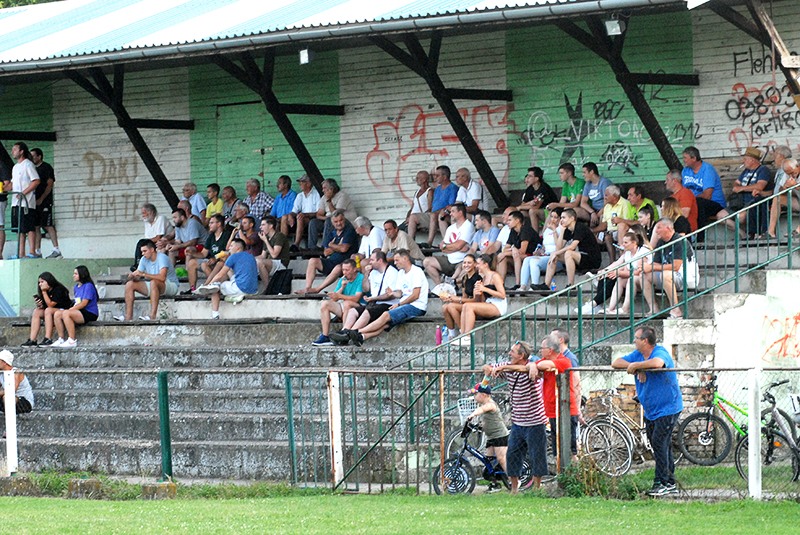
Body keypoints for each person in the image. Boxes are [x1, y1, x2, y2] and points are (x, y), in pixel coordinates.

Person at [612, 326, 683, 496]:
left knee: (659, 442)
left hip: (668, 407)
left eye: (636, 338)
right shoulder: (637, 355)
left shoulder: (660, 351)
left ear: (645, 340)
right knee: (659, 444)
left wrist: (638, 366)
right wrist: (637, 367)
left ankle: (662, 482)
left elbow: (658, 363)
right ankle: (669, 481)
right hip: (652, 409)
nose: (634, 341)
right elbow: (616, 363)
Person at [482, 341, 549, 493]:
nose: (509, 353)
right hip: (518, 421)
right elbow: (487, 366)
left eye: (513, 351)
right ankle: (514, 488)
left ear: (521, 355)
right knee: (512, 454)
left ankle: (537, 488)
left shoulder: (533, 365)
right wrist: (490, 370)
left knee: (537, 455)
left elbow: (530, 368)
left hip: (535, 421)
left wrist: (505, 367)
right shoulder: (509, 365)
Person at [338, 249, 427, 346]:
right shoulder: (401, 273)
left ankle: (355, 332)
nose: (395, 262)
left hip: (417, 306)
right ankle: (361, 337)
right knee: (385, 325)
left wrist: (399, 304)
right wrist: (392, 293)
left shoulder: (416, 271)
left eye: (397, 260)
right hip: (403, 304)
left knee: (385, 315)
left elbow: (415, 295)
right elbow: (400, 293)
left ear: (405, 258)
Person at [329, 251, 399, 344]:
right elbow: (366, 289)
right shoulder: (373, 272)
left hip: (388, 304)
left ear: (380, 260)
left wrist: (374, 298)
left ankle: (348, 334)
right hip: (374, 303)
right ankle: (344, 330)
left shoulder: (392, 272)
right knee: (352, 311)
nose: (370, 262)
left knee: (368, 311)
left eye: (372, 260)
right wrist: (366, 274)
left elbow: (390, 295)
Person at [531, 334, 580, 461]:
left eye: (542, 348)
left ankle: (574, 475)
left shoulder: (564, 361)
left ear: (550, 350)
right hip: (553, 411)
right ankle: (561, 474)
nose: (540, 351)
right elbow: (533, 365)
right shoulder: (544, 361)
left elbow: (544, 365)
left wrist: (535, 365)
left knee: (570, 449)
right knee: (557, 448)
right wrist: (532, 365)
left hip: (566, 410)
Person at [634, 218, 694, 318]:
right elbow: (655, 263)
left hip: (686, 277)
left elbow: (676, 266)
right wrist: (645, 267)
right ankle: (654, 309)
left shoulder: (680, 240)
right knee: (643, 275)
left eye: (658, 228)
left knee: (665, 274)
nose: (656, 231)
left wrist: (652, 267)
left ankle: (676, 309)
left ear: (668, 228)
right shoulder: (661, 242)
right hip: (670, 277)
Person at [581, 230, 652, 315]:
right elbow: (622, 267)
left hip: (644, 277)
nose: (623, 245)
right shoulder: (628, 253)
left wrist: (618, 273)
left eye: (626, 242)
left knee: (616, 277)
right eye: (623, 242)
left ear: (634, 243)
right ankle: (609, 308)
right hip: (631, 276)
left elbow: (638, 271)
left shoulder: (643, 251)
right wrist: (606, 271)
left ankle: (594, 304)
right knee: (610, 276)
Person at [114, 240, 180, 321]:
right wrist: (131, 277)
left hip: (171, 285)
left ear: (152, 250)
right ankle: (128, 317)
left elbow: (162, 278)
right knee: (130, 284)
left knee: (153, 282)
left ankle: (152, 316)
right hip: (154, 285)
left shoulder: (162, 257)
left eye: (145, 251)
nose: (143, 254)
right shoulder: (143, 259)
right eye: (142, 251)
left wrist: (144, 274)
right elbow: (138, 276)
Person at [297, 210, 359, 295]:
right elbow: (326, 252)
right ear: (332, 223)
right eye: (336, 221)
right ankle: (308, 288)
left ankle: (317, 289)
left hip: (345, 265)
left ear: (344, 219)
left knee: (338, 267)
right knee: (313, 260)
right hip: (331, 261)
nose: (338, 223)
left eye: (340, 220)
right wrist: (337, 247)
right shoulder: (332, 232)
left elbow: (344, 249)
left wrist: (332, 245)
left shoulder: (349, 231)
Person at [195, 238, 259, 318]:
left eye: (231, 246)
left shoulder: (233, 257)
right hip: (253, 289)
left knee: (215, 286)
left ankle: (215, 314)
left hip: (241, 288)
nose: (229, 248)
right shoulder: (251, 256)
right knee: (227, 274)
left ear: (238, 248)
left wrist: (209, 285)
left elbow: (220, 275)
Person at [540, 208, 601, 290]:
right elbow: (558, 248)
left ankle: (570, 285)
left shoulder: (580, 227)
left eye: (563, 217)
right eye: (561, 218)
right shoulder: (567, 230)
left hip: (592, 259)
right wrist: (559, 231)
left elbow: (572, 246)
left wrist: (556, 253)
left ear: (572, 218)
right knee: (554, 254)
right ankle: (546, 285)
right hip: (579, 258)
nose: (561, 220)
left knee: (568, 252)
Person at [681, 146, 735, 236]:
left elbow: (707, 195)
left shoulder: (707, 169)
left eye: (685, 158)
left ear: (694, 158)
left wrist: (690, 200)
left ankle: (700, 237)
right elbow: (684, 192)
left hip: (714, 204)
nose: (684, 160)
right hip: (694, 203)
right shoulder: (685, 171)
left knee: (699, 203)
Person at [311, 259, 365, 347]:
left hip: (359, 307)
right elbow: (334, 298)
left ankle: (344, 333)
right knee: (325, 304)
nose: (344, 272)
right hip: (345, 307)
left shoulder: (361, 278)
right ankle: (325, 335)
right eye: (343, 270)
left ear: (354, 269)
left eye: (347, 270)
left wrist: (339, 296)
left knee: (348, 303)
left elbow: (356, 298)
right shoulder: (343, 279)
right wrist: (342, 288)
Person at [458, 254, 507, 343]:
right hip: (488, 303)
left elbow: (502, 295)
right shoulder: (483, 278)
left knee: (469, 306)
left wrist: (484, 289)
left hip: (498, 305)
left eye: (478, 264)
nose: (476, 266)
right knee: (465, 305)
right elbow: (483, 299)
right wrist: (478, 294)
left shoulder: (495, 276)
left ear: (485, 264)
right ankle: (462, 335)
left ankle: (467, 337)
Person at [466, 383, 509, 483]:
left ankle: (514, 479)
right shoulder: (483, 404)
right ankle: (494, 483)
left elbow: (482, 410)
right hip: (491, 437)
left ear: (483, 395)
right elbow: (486, 420)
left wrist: (472, 414)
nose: (474, 396)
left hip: (499, 436)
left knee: (501, 458)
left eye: (476, 394)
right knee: (489, 461)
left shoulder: (490, 404)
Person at [423, 203, 474, 285]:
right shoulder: (450, 228)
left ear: (460, 213)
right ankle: (440, 288)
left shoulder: (468, 226)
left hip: (461, 262)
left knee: (463, 270)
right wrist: (455, 248)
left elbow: (458, 245)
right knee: (426, 261)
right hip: (448, 260)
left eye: (453, 211)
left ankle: (453, 285)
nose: (450, 214)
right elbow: (443, 247)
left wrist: (449, 247)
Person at [183, 214, 231, 294]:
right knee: (192, 262)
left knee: (204, 264)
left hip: (222, 264)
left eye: (212, 223)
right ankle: (192, 289)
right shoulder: (211, 236)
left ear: (219, 224)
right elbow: (203, 254)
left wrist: (216, 258)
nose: (209, 225)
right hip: (211, 262)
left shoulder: (227, 235)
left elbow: (227, 252)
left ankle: (211, 287)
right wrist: (192, 253)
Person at [7, 142, 40, 259]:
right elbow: (13, 184)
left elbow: (36, 181)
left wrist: (23, 193)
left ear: (21, 151)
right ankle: (21, 253)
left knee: (29, 227)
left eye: (15, 149)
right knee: (19, 229)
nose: (13, 152)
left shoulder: (28, 165)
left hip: (27, 202)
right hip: (16, 202)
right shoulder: (15, 167)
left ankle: (32, 251)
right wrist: (5, 187)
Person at [52, 266, 99, 348]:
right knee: (57, 314)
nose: (73, 275)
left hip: (89, 312)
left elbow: (84, 303)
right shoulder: (76, 287)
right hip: (79, 311)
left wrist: (70, 310)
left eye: (76, 274)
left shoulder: (88, 286)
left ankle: (72, 340)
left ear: (82, 274)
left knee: (66, 313)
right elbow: (77, 301)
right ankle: (61, 339)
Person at [21, 271, 72, 347]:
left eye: (42, 282)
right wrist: (40, 305)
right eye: (39, 282)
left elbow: (51, 305)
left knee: (48, 310)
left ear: (49, 281)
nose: (40, 284)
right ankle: (32, 339)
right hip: (52, 311)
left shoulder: (58, 289)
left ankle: (48, 338)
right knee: (37, 311)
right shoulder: (45, 291)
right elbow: (46, 306)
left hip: (64, 310)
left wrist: (44, 292)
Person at [439, 253, 480, 341]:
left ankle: (463, 333)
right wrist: (450, 298)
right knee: (445, 306)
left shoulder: (477, 278)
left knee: (451, 306)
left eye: (469, 263)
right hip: (467, 303)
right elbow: (464, 296)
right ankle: (451, 333)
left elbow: (477, 300)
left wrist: (458, 299)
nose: (466, 265)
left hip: (475, 305)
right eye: (464, 263)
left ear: (475, 264)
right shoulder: (465, 277)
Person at [521, 209, 564, 291]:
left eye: (556, 217)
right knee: (527, 259)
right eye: (551, 217)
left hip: (556, 259)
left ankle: (534, 286)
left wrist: (555, 230)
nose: (553, 219)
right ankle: (522, 286)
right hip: (546, 256)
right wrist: (540, 251)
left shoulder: (561, 229)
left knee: (534, 261)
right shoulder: (547, 230)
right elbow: (544, 246)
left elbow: (559, 247)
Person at [733, 146, 770, 239]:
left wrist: (741, 188)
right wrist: (738, 187)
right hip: (741, 202)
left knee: (741, 216)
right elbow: (736, 184)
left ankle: (751, 234)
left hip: (752, 201)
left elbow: (759, 186)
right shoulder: (746, 171)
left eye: (745, 159)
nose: (743, 161)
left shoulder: (763, 170)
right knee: (722, 216)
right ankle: (745, 235)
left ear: (752, 160)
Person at [308, 178, 356, 249]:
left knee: (329, 221)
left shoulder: (342, 196)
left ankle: (325, 246)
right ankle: (311, 248)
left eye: (324, 188)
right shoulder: (324, 197)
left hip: (345, 222)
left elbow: (336, 214)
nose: (323, 190)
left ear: (331, 189)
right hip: (331, 222)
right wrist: (327, 218)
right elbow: (318, 214)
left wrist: (329, 201)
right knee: (313, 222)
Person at [497, 210, 539, 290]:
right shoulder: (513, 231)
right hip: (521, 255)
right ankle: (500, 285)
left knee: (515, 255)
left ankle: (518, 284)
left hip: (532, 255)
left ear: (517, 221)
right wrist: (513, 248)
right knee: (503, 258)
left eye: (510, 220)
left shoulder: (525, 230)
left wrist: (509, 252)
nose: (507, 222)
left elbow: (522, 251)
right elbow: (506, 248)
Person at [31, 148, 61, 258]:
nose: (32, 158)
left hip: (45, 202)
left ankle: (56, 250)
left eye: (33, 156)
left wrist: (42, 198)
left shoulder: (46, 167)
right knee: (36, 226)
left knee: (47, 225)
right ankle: (38, 251)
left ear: (39, 157)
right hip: (34, 202)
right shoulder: (32, 168)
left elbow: (49, 184)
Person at [425, 165, 458, 247]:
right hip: (433, 214)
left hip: (445, 214)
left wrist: (436, 212)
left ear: (445, 177)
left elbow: (451, 205)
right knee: (413, 217)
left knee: (435, 215)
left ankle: (430, 242)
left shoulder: (453, 188)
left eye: (437, 175)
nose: (435, 178)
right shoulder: (437, 189)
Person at [596, 184, 631, 262]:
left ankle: (622, 259)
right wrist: (592, 231)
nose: (604, 197)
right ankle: (612, 262)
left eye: (606, 195)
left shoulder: (625, 204)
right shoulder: (607, 206)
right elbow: (604, 224)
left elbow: (627, 221)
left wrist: (619, 220)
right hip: (609, 232)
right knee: (606, 237)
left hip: (621, 231)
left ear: (614, 196)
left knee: (612, 234)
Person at [517, 166, 558, 231]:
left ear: (536, 178)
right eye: (527, 176)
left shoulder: (543, 188)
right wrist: (526, 204)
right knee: (521, 212)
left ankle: (535, 234)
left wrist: (520, 207)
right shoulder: (530, 189)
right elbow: (523, 204)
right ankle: (521, 232)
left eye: (530, 176)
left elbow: (536, 207)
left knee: (532, 211)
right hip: (539, 212)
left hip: (550, 213)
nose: (527, 178)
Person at [256, 215, 290, 292]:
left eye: (263, 225)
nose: (260, 227)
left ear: (271, 226)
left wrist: (265, 241)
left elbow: (274, 255)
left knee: (260, 263)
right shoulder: (267, 238)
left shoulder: (279, 236)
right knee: (252, 262)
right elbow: (262, 255)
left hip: (280, 264)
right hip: (271, 263)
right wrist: (249, 258)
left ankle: (268, 288)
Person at [288, 174, 321, 249]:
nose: (300, 184)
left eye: (302, 182)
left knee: (300, 217)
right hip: (302, 220)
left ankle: (296, 244)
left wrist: (304, 214)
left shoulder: (316, 194)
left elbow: (318, 212)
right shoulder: (300, 195)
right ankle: (282, 246)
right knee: (285, 217)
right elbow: (294, 210)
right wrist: (290, 215)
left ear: (308, 184)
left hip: (313, 220)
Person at [767, 146, 793, 239]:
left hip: (794, 198)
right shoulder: (779, 170)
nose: (774, 159)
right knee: (773, 199)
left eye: (775, 156)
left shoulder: (790, 168)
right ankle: (770, 232)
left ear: (782, 156)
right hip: (782, 198)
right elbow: (779, 189)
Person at [0, 350, 34, 415]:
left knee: (8, 397)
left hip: (24, 402)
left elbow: (11, 390)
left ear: (5, 362)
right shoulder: (1, 373)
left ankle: (10, 422)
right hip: (8, 402)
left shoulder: (16, 372)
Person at [405, 170, 433, 240]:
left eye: (418, 178)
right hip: (412, 218)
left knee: (412, 219)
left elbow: (430, 208)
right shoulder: (417, 192)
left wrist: (416, 217)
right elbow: (412, 208)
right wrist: (407, 217)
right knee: (399, 230)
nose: (416, 179)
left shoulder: (429, 191)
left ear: (424, 179)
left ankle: (411, 244)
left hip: (422, 218)